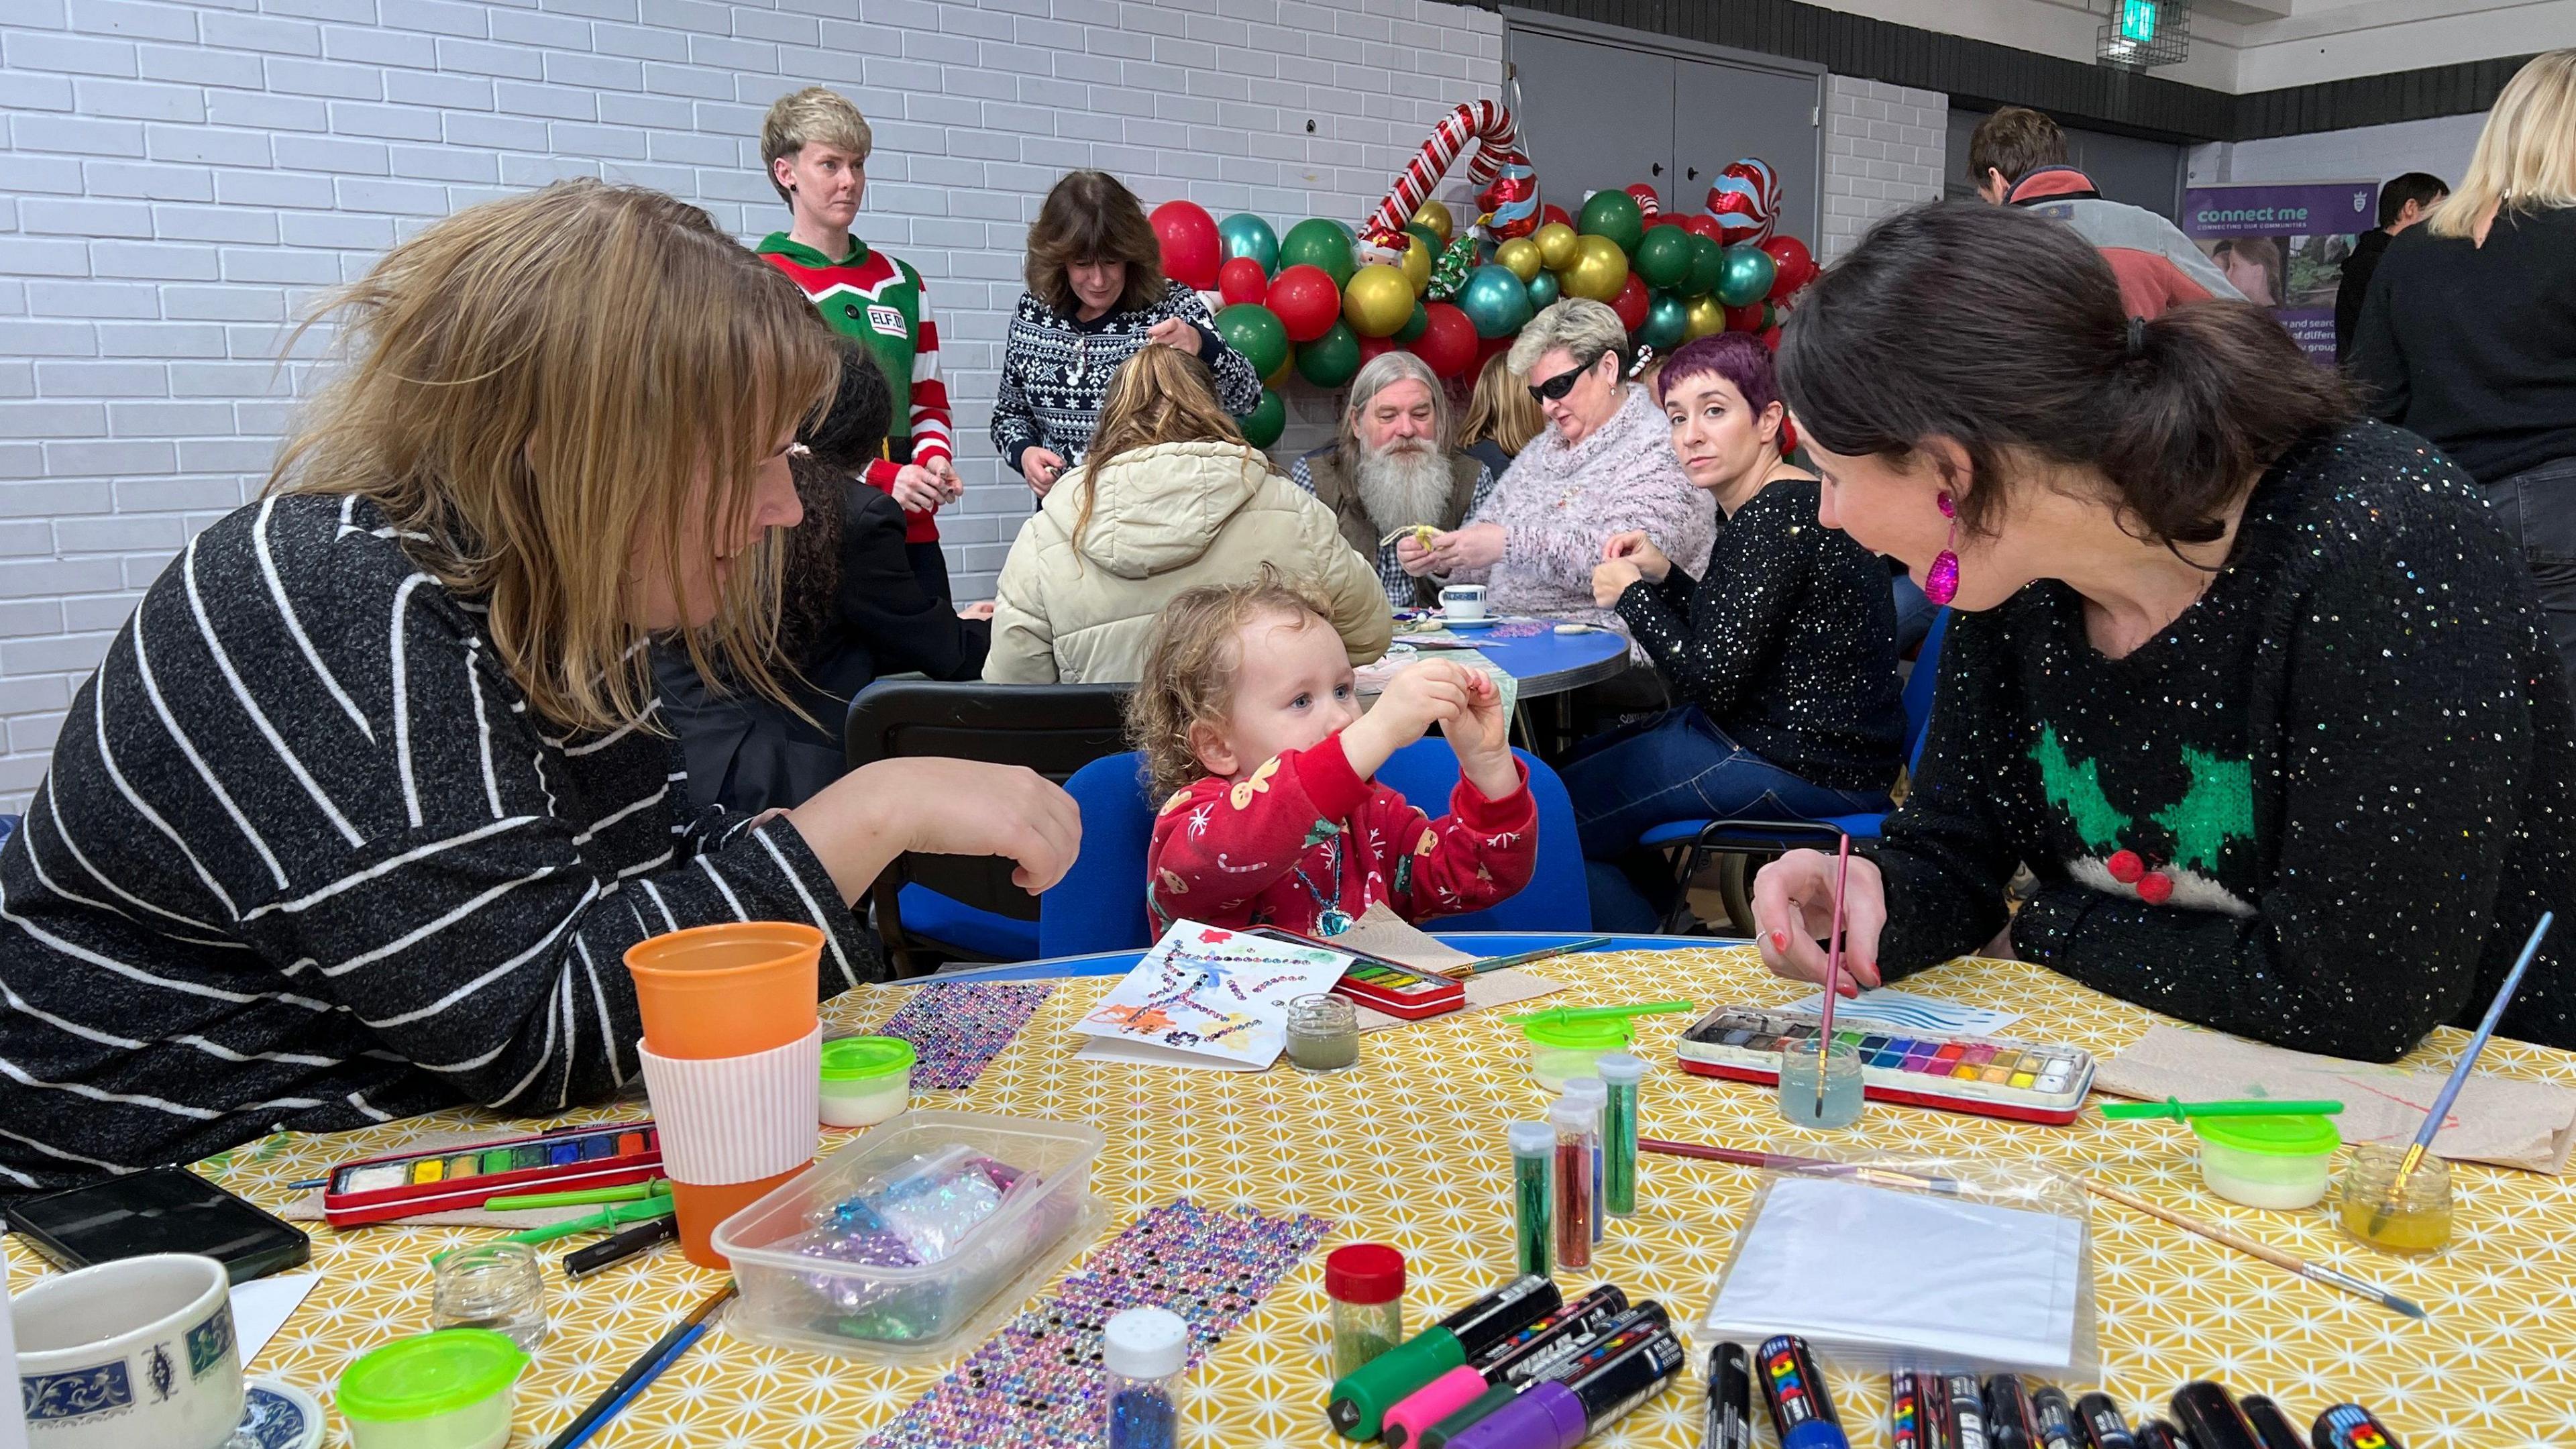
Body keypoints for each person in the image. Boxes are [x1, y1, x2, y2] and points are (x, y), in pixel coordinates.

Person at [0, 182, 1083, 1193]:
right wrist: (869, 814)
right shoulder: (332, 596)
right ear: (570, 451)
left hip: (377, 1145)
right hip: (169, 1204)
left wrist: (806, 846)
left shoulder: (563, 610)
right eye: (751, 462)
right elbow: (537, 1032)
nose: (786, 510)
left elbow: (631, 907)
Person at [1744, 199, 2575, 1062]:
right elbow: (1956, 848)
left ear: (1957, 471)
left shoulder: (2379, 536)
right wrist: (1873, 893)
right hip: (2160, 1079)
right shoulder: (2018, 575)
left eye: (1834, 475)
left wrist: (2046, 929)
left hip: (2459, 1125)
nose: (1830, 516)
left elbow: (2353, 996)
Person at [1563, 333, 1906, 930]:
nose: (1691, 435)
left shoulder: (1772, 519)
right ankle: (1667, 927)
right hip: (1813, 750)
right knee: (1566, 773)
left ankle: (1656, 953)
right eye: (1677, 417)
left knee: (1554, 818)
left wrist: (1632, 597)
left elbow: (1710, 681)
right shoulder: (1792, 500)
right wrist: (1665, 575)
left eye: (1714, 411)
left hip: (1796, 761)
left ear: (1768, 419)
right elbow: (1740, 638)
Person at [657, 338, 993, 817]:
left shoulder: (703, 490)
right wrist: (1010, 627)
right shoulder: (856, 515)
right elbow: (939, 650)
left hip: (684, 751)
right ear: (867, 436)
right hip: (785, 775)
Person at [1132, 575, 1536, 936]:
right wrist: (1377, 730)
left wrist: (1488, 762)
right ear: (1218, 746)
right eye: (1302, 700)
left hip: (1370, 1020)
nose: (1342, 717)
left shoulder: (1374, 815)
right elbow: (1252, 836)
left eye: (1343, 690)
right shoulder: (1193, 823)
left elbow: (1477, 877)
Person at [2351, 50, 2576, 685]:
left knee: (2466, 718)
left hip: (2438, 509)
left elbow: (2369, 400)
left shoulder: (2412, 249)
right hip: (2562, 507)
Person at [985, 345, 1391, 684]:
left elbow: (1015, 687)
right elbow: (1369, 636)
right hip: (1263, 772)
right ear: (1212, 409)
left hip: (1108, 771)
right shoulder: (1291, 506)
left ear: (1109, 418)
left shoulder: (1046, 534)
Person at [1400, 299, 1713, 642]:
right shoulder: (1541, 452)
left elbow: (1630, 561)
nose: (1548, 406)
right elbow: (1486, 549)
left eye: (1559, 386)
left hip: (1612, 656)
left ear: (1608, 368)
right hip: (1518, 642)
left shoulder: (1660, 448)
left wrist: (1509, 544)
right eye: (1539, 394)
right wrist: (1446, 557)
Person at [756, 86, 961, 600]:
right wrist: (878, 474)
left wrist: (934, 460)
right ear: (787, 174)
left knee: (930, 667)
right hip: (811, 528)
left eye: (858, 165)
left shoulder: (902, 281)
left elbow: (928, 398)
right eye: (830, 165)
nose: (849, 182)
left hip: (908, 524)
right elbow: (767, 422)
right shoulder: (761, 282)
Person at [993, 170, 1262, 497]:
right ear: (1057, 260)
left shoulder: (1171, 305)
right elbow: (1008, 415)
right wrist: (1024, 453)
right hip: (1064, 521)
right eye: (1081, 264)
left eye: (1110, 261)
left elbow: (1248, 397)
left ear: (1131, 254)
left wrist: (1201, 344)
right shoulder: (1033, 313)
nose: (1098, 280)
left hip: (1154, 515)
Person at [1968, 105, 2243, 317]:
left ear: (1998, 181)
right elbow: (2242, 321)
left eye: (1987, 199)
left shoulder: (1982, 251)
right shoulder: (2151, 232)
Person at [1291, 351, 1496, 610]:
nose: (1407, 430)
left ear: (1438, 417)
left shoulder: (1473, 478)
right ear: (1356, 422)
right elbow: (1299, 581)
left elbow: (1495, 581)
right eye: (1388, 416)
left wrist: (1445, 565)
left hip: (1444, 643)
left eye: (1421, 414)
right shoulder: (1316, 477)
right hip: (1349, 641)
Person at [2332, 171, 2447, 365]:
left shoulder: (2374, 260)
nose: (2445, 222)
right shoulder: (2380, 265)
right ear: (2410, 208)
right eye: (2440, 211)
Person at [1458, 349, 1544, 482]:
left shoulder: (1469, 455)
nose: (1553, 403)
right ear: (1526, 402)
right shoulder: (1508, 474)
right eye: (1543, 393)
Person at [2208, 236, 2283, 308]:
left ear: (2258, 271)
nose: (2228, 274)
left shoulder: (2273, 318)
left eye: (2235, 266)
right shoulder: (2247, 313)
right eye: (2229, 266)